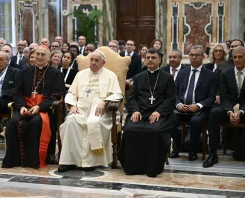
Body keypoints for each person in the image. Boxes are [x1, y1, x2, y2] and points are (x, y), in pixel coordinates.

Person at [2, 45, 66, 168]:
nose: (40, 57)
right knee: (13, 122)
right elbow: (17, 93)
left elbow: (57, 95)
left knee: (35, 122)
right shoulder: (25, 71)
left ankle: (33, 161)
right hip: (25, 106)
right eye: (38, 54)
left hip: (43, 109)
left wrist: (39, 107)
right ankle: (14, 160)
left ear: (49, 57)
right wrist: (21, 107)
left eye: (43, 55)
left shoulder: (56, 73)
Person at [58, 50, 122, 172]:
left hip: (101, 111)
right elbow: (71, 92)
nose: (93, 63)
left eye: (96, 61)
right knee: (71, 121)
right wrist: (72, 106)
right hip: (81, 109)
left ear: (103, 63)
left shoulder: (111, 76)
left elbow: (117, 94)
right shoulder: (80, 74)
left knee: (95, 123)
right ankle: (69, 161)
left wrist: (104, 102)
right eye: (91, 60)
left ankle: (91, 162)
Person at [118, 48, 176, 177]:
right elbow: (132, 97)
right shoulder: (139, 77)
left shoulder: (167, 78)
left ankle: (152, 169)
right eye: (148, 57)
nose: (150, 59)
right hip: (140, 113)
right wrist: (135, 111)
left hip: (158, 115)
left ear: (159, 60)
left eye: (153, 57)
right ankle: (132, 167)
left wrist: (159, 112)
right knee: (130, 130)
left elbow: (170, 98)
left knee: (154, 131)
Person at [170, 45, 216, 160]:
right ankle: (178, 145)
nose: (194, 57)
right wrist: (178, 104)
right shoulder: (182, 73)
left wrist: (198, 105)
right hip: (181, 108)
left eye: (197, 55)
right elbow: (173, 94)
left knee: (196, 121)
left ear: (203, 56)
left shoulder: (210, 75)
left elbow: (211, 97)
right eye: (192, 55)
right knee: (169, 118)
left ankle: (193, 149)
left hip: (199, 110)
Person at [204, 46, 245, 167]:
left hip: (243, 108)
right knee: (214, 114)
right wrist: (229, 112)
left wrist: (241, 111)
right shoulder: (225, 73)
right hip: (228, 106)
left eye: (240, 57)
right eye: (235, 57)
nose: (237, 59)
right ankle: (213, 154)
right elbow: (224, 95)